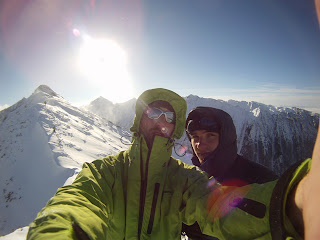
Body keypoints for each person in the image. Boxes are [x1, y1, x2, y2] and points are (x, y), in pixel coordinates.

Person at [27, 88, 279, 239]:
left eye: (168, 116)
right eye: (152, 112)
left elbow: (218, 205)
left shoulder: (186, 179)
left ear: (174, 127)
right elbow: (76, 203)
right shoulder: (104, 172)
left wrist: (287, 203)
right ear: (139, 120)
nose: (160, 120)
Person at [182, 106, 278, 240]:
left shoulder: (262, 181)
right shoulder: (193, 179)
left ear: (225, 139)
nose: (200, 144)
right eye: (195, 137)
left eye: (210, 135)